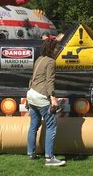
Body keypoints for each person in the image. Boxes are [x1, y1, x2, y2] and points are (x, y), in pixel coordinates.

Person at [26, 38, 65, 167]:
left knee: (33, 126)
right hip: (41, 96)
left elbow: (32, 78)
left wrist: (28, 98)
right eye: (56, 48)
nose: (58, 50)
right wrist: (53, 99)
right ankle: (49, 158)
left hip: (31, 94)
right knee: (51, 127)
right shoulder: (51, 61)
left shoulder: (39, 59)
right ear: (51, 49)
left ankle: (31, 154)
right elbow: (49, 82)